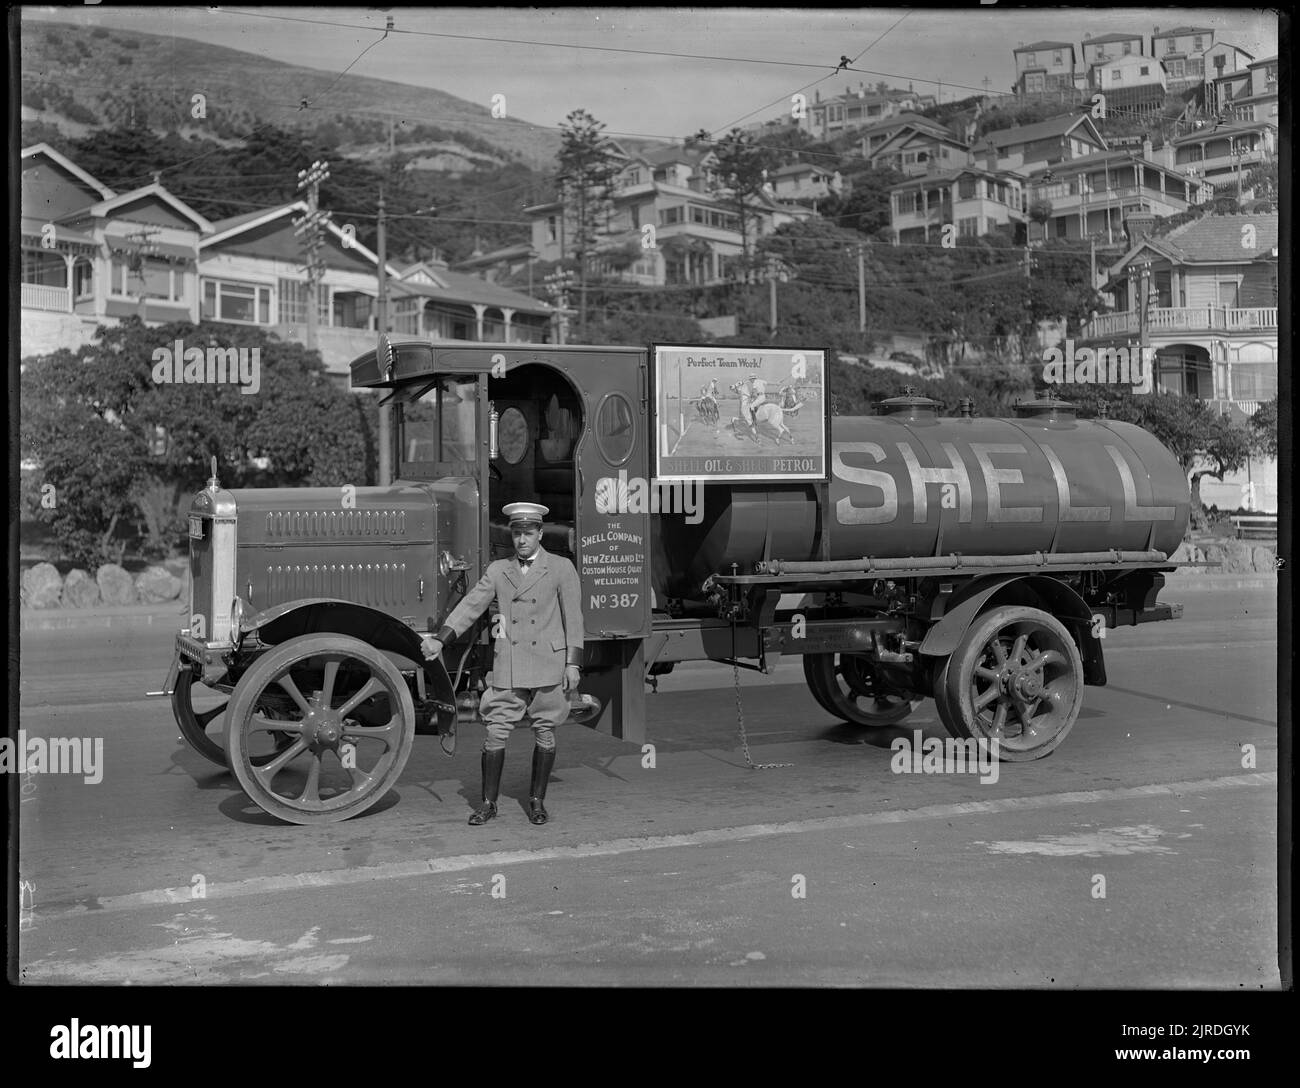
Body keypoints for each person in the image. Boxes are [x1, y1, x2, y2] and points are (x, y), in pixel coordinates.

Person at [421, 502, 583, 826]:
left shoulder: (562, 568)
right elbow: (470, 606)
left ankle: (537, 802)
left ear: (540, 533)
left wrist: (573, 664)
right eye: (517, 533)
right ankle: (487, 803)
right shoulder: (498, 570)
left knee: (545, 732)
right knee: (495, 733)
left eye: (528, 533)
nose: (522, 539)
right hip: (509, 662)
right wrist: (441, 639)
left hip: (548, 663)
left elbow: (574, 619)